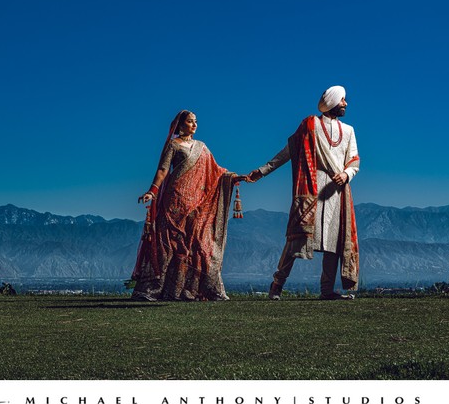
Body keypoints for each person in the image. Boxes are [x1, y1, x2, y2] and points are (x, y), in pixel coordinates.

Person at [247, 85, 360, 300]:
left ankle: (326, 291)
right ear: (333, 102)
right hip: (311, 187)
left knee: (334, 243)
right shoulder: (310, 125)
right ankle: (277, 285)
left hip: (338, 191)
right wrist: (263, 171)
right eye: (343, 100)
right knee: (296, 238)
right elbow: (288, 151)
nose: (346, 103)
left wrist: (346, 175)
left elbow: (354, 160)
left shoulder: (349, 131)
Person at [131, 110, 246, 301]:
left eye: (196, 122)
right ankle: (155, 290)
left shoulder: (202, 147)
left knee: (197, 242)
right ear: (180, 124)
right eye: (190, 121)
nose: (194, 125)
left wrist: (233, 177)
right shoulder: (173, 145)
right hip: (175, 200)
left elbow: (216, 171)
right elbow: (162, 169)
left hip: (197, 203)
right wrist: (152, 191)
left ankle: (188, 290)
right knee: (168, 243)